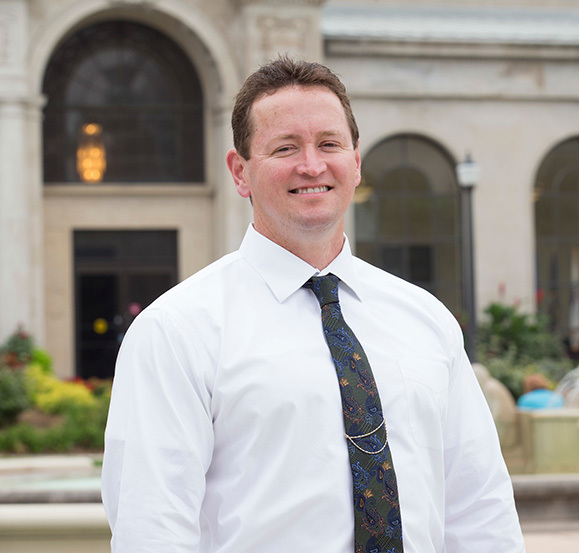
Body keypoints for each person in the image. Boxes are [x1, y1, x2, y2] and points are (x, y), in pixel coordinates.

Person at [101, 57, 525, 553]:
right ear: (240, 172)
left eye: (329, 144)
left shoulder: (426, 319)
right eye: (285, 148)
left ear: (356, 161)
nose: (312, 165)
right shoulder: (175, 332)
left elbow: (479, 509)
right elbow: (152, 528)